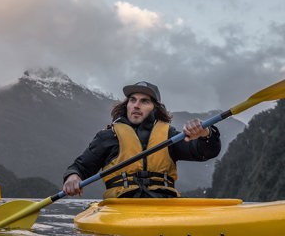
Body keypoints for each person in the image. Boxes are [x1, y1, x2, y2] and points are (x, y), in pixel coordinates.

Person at [63, 81, 221, 198]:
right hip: (121, 207)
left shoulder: (169, 136)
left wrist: (205, 133)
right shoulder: (108, 136)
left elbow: (205, 152)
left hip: (164, 206)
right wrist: (73, 177)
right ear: (127, 105)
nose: (136, 105)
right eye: (132, 100)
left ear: (155, 107)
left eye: (144, 101)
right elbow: (80, 167)